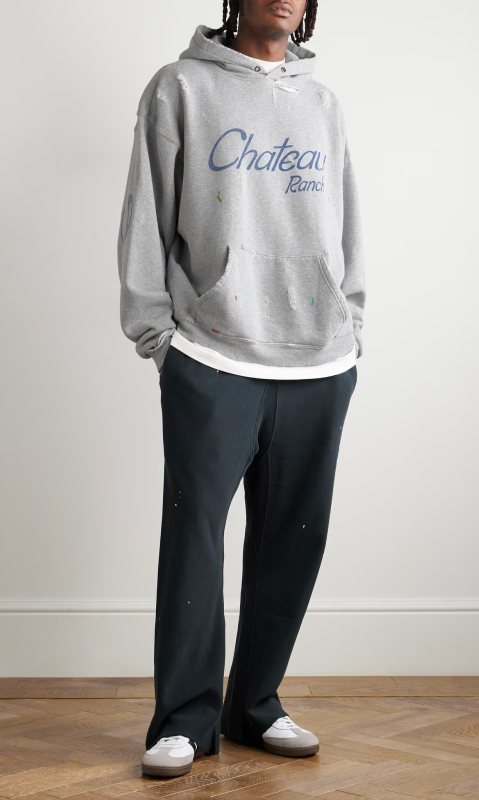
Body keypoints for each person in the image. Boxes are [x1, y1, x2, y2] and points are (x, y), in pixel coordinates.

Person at [117, 0, 365, 779]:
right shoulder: (180, 87)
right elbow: (147, 217)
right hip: (213, 352)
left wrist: (352, 324)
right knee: (195, 539)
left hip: (318, 360)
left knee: (294, 540)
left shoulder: (322, 102)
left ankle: (256, 704)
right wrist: (158, 335)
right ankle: (183, 720)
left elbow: (347, 223)